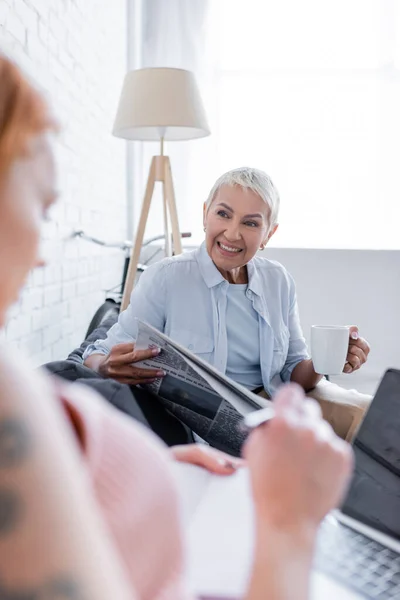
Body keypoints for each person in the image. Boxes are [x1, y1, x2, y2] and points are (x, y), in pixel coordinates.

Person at [0, 52, 354, 599]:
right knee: (89, 381)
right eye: (222, 214)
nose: (232, 232)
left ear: (270, 232)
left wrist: (333, 365)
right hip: (166, 409)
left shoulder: (278, 282)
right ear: (205, 212)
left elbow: (294, 369)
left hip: (225, 426)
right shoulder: (168, 275)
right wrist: (103, 361)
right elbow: (109, 348)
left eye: (251, 222)